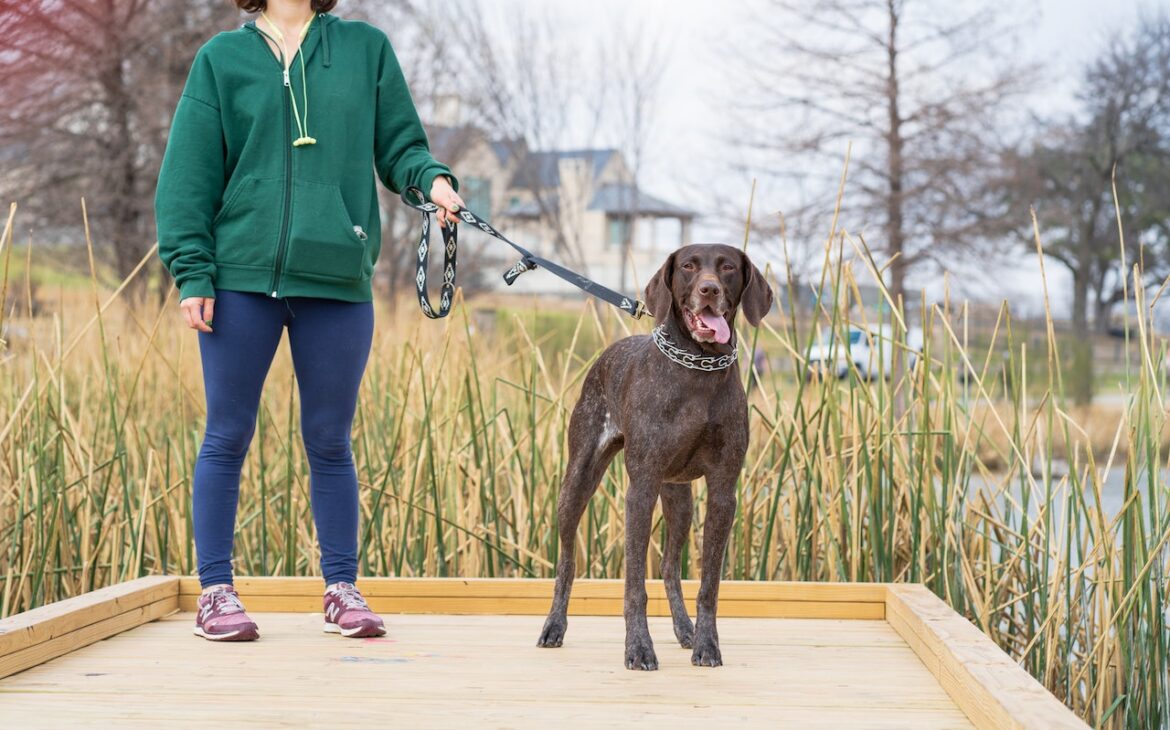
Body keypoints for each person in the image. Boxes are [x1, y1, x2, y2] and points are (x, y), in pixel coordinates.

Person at [154, 0, 463, 641]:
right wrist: (192, 271)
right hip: (240, 278)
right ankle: (216, 593)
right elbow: (188, 172)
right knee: (226, 435)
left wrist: (430, 181)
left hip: (337, 278)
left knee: (329, 438)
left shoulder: (365, 49)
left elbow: (401, 146)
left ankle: (341, 589)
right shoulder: (222, 59)